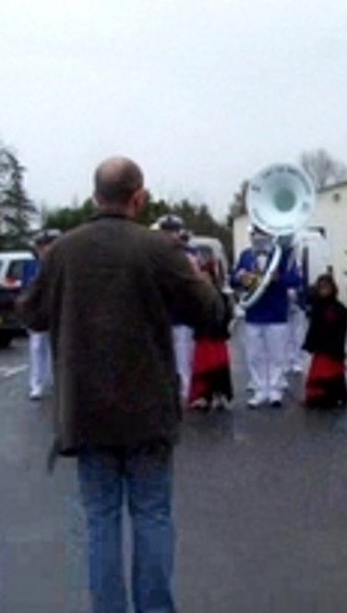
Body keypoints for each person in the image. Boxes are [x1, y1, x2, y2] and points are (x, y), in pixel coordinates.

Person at [18, 156, 225, 613]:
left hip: (86, 409)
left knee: (101, 520)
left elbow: (30, 314)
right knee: (152, 515)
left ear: (95, 197)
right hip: (148, 408)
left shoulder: (63, 251)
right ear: (139, 197)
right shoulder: (159, 248)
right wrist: (199, 277)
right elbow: (211, 314)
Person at [233, 227, 300, 408]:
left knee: (277, 355)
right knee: (254, 354)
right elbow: (233, 279)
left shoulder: (282, 255)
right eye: (256, 233)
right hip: (254, 312)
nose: (259, 237)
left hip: (276, 312)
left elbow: (296, 279)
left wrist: (279, 278)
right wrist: (240, 277)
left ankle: (275, 391)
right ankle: (260, 389)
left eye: (263, 233)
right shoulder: (246, 255)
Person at [153, 214, 198, 405]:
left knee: (184, 357)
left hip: (182, 312)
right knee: (162, 357)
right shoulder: (153, 254)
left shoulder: (188, 253)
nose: (170, 235)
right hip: (162, 313)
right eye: (166, 231)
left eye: (173, 231)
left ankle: (186, 393)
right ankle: (166, 394)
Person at [188, 257, 235, 411]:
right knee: (203, 367)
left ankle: (219, 394)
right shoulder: (196, 296)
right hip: (204, 336)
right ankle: (203, 395)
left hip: (215, 337)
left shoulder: (220, 295)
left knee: (217, 366)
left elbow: (226, 316)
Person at [22, 229, 61, 401]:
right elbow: (26, 291)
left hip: (57, 311)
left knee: (59, 348)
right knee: (37, 348)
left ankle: (58, 381)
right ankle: (36, 385)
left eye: (48, 245)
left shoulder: (61, 266)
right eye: (42, 246)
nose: (45, 249)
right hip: (38, 312)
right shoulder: (31, 266)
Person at [303, 274, 347, 408]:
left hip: (333, 348)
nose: (324, 291)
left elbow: (342, 331)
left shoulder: (340, 309)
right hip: (320, 347)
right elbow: (313, 327)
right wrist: (310, 343)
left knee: (333, 373)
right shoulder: (317, 306)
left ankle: (335, 396)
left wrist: (338, 348)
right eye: (321, 288)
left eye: (326, 288)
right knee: (319, 375)